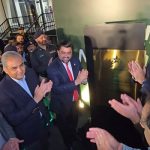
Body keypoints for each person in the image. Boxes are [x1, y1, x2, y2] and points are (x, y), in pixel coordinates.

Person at [0, 51, 53, 150]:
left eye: (21, 65)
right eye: (14, 68)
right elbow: (14, 119)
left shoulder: (30, 72)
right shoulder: (2, 90)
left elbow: (39, 94)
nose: (20, 70)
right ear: (5, 70)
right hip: (29, 136)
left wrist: (45, 92)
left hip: (44, 124)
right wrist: (36, 99)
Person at [47, 40, 88, 149]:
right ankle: (68, 143)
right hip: (61, 104)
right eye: (63, 52)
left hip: (75, 99)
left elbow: (81, 74)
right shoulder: (52, 68)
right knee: (64, 127)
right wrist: (77, 82)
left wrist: (84, 80)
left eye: (68, 53)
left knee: (74, 121)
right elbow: (56, 89)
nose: (66, 55)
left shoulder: (75, 60)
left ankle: (74, 136)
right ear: (58, 52)